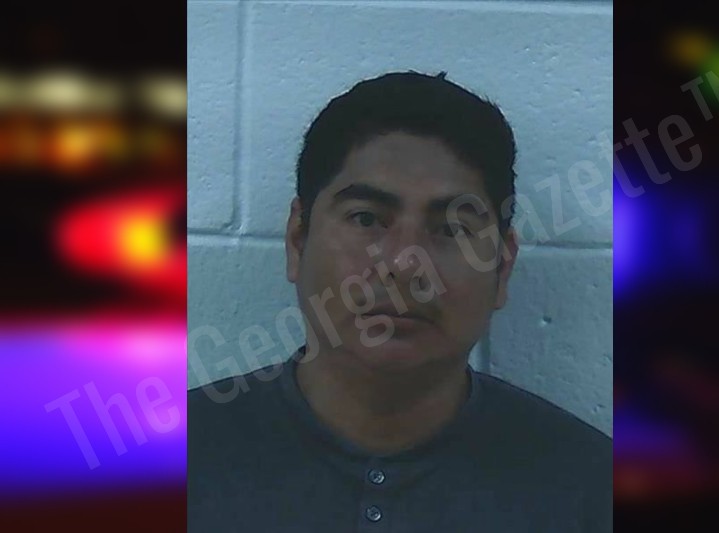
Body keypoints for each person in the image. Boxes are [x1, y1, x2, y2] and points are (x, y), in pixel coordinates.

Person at [188, 71, 611, 532]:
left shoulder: (591, 490)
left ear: (502, 266)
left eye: (451, 229)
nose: (404, 264)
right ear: (297, 240)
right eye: (366, 219)